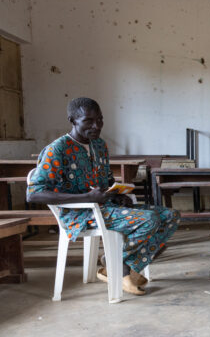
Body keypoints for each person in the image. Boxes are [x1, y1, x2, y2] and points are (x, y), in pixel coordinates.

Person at [27, 97, 180, 296]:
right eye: (88, 121)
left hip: (105, 207)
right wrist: (86, 197)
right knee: (149, 220)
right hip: (79, 214)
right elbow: (34, 194)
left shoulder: (99, 145)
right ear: (72, 120)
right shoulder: (58, 149)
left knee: (171, 216)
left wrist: (117, 194)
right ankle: (121, 270)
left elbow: (106, 182)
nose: (96, 126)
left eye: (100, 120)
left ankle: (114, 265)